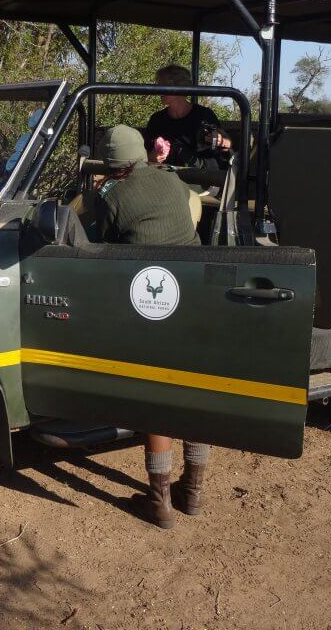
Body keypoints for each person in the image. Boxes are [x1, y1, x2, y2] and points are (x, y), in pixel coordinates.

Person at [96, 124, 210, 529]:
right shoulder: (174, 180)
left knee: (158, 399)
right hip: (193, 294)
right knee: (192, 392)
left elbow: (100, 244)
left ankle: (160, 499)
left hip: (153, 303)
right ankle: (192, 491)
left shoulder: (112, 194)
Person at [145, 64, 232, 170]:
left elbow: (226, 146)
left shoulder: (203, 116)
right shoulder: (157, 120)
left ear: (178, 88)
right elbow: (146, 156)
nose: (159, 90)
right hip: (166, 177)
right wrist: (153, 157)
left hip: (199, 177)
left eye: (163, 85)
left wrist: (221, 141)